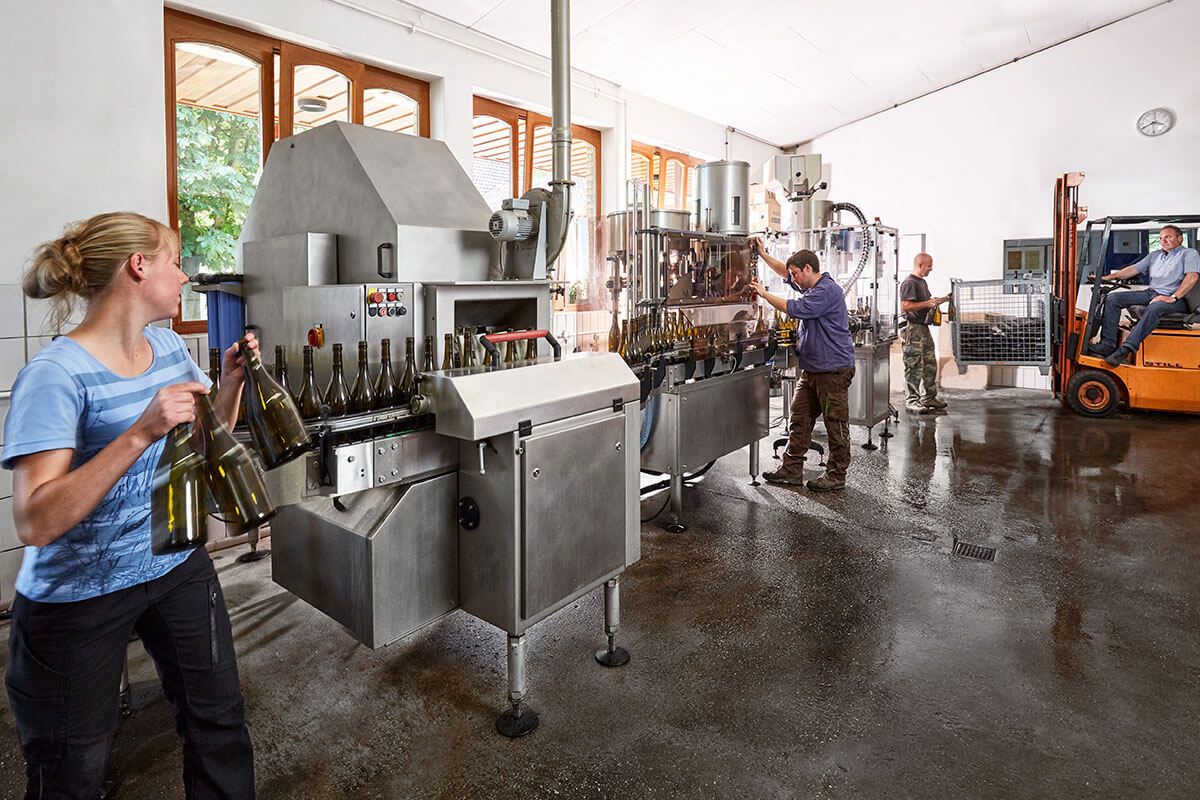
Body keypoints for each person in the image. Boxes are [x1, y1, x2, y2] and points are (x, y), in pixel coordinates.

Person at [3, 212, 257, 798]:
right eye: (175, 261)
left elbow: (206, 433)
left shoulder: (167, 346)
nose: (186, 277)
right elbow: (35, 520)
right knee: (73, 765)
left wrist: (231, 384)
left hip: (174, 563)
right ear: (138, 267)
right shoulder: (55, 375)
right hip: (78, 597)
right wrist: (139, 432)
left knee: (218, 724)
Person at [749, 240, 855, 492]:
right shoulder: (809, 288)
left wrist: (763, 293)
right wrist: (762, 254)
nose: (793, 279)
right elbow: (785, 272)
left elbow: (795, 309)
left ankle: (836, 474)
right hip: (812, 369)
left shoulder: (827, 291)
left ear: (808, 269)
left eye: (796, 274)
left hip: (832, 371)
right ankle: (791, 469)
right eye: (792, 275)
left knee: (835, 422)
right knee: (799, 417)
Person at [1095, 224, 1199, 366]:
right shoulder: (1155, 255)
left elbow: (1192, 277)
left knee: (1155, 307)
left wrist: (1172, 297)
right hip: (1152, 293)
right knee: (1113, 298)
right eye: (1161, 238)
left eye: (1168, 237)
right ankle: (1107, 344)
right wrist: (1105, 278)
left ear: (1180, 238)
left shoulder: (1189, 254)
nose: (1164, 241)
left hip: (1176, 299)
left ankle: (1126, 349)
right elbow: (1132, 269)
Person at [899, 253, 951, 413]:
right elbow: (906, 306)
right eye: (929, 265)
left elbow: (924, 304)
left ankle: (928, 397)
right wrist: (928, 303)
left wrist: (942, 300)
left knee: (929, 363)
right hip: (912, 329)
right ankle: (912, 400)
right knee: (913, 365)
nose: (931, 268)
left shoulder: (922, 282)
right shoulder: (909, 283)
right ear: (920, 265)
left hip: (923, 328)